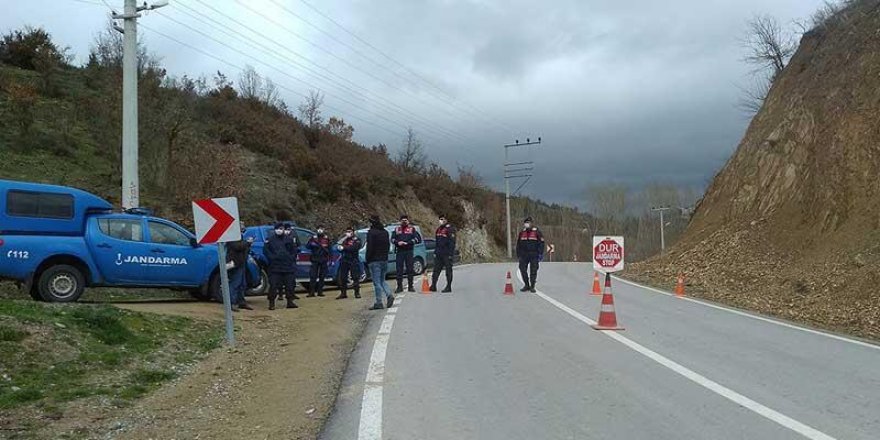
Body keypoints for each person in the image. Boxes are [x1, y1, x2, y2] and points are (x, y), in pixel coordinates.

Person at [264, 222, 298, 310]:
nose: (279, 230)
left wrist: (290, 258)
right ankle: (271, 303)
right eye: (278, 229)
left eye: (281, 229)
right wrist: (272, 258)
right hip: (275, 267)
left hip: (287, 266)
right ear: (275, 230)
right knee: (273, 286)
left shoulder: (289, 239)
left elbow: (294, 250)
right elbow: (266, 251)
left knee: (289, 285)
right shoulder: (270, 240)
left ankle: (290, 302)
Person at [366, 215, 393, 310]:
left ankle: (379, 302)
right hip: (384, 259)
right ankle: (389, 294)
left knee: (376, 282)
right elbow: (388, 246)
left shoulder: (371, 233)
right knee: (382, 280)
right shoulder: (385, 232)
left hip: (374, 260)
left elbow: (370, 248)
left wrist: (368, 259)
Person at [391, 214, 422, 293]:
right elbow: (392, 239)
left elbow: (417, 239)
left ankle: (411, 286)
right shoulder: (397, 229)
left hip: (409, 251)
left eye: (405, 220)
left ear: (408, 221)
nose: (404, 222)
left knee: (410, 269)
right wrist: (398, 242)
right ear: (400, 221)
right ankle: (399, 287)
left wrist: (408, 243)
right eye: (402, 220)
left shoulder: (412, 229)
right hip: (400, 251)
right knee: (399, 270)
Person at [225, 225, 253, 311]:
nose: (242, 230)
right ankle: (231, 303)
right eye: (241, 228)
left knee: (242, 284)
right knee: (235, 284)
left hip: (241, 263)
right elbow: (237, 247)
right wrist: (247, 243)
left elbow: (243, 248)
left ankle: (241, 302)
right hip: (235, 263)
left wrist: (248, 245)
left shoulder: (240, 237)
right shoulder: (231, 237)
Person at [516, 216, 544, 293]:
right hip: (524, 254)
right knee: (522, 269)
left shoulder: (537, 232)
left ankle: (532, 286)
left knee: (533, 270)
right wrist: (518, 254)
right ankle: (526, 285)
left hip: (534, 254)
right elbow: (518, 244)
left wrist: (540, 254)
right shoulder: (522, 232)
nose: (526, 224)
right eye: (525, 223)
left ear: (531, 223)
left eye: (528, 223)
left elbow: (541, 243)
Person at [430, 214, 456, 293]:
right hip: (439, 254)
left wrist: (450, 255)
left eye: (443, 219)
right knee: (436, 271)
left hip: (446, 254)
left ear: (446, 220)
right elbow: (437, 242)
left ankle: (448, 286)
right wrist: (435, 252)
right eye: (440, 219)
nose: (441, 221)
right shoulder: (438, 230)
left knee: (448, 271)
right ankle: (433, 285)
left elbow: (452, 243)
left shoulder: (450, 229)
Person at [336, 226, 362, 300]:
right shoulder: (344, 239)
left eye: (350, 231)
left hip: (353, 260)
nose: (348, 233)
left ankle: (357, 293)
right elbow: (338, 246)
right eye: (347, 231)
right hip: (344, 260)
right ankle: (343, 293)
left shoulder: (356, 239)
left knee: (355, 277)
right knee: (343, 277)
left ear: (353, 232)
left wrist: (344, 248)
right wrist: (344, 239)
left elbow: (354, 248)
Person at [307, 225, 331, 297]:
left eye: (321, 229)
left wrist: (330, 259)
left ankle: (320, 291)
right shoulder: (313, 238)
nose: (320, 230)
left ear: (324, 229)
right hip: (315, 259)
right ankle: (311, 292)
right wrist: (312, 244)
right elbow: (307, 246)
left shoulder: (326, 238)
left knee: (322, 276)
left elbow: (330, 249)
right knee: (313, 276)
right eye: (318, 229)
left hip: (323, 259)